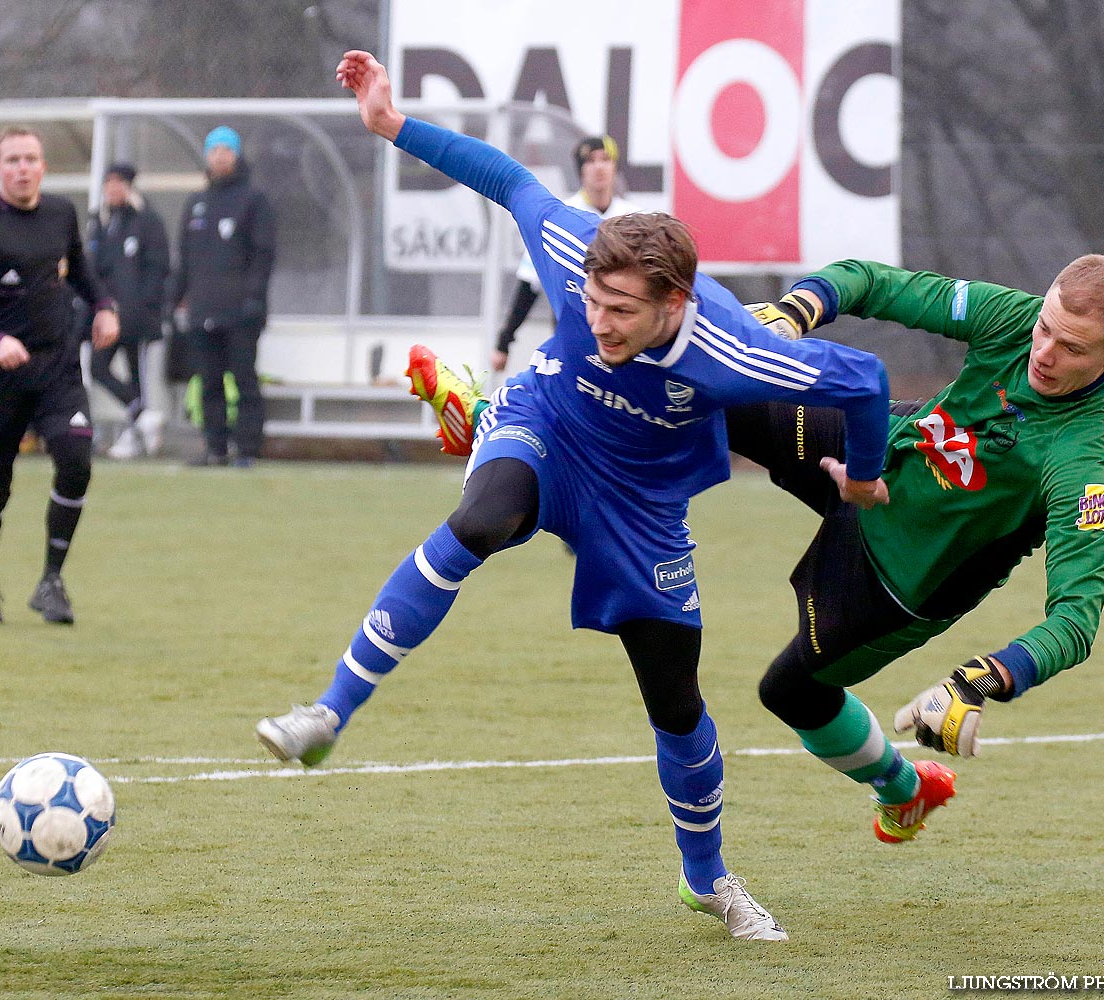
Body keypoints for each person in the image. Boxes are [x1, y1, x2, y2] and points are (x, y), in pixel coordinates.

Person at [257, 49, 895, 943]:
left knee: (675, 703)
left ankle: (707, 880)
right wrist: (390, 122)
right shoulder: (570, 252)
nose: (598, 320)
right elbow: (505, 177)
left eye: (620, 311)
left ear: (674, 304)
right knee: (480, 520)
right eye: (591, 300)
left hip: (640, 504)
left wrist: (862, 477)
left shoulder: (737, 348)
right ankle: (328, 712)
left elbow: (864, 379)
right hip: (548, 427)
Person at [417, 253, 1104, 845]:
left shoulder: (1087, 455)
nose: (1041, 352)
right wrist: (799, 309)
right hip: (874, 453)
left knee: (787, 693)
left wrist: (977, 682)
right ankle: (497, 426)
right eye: (1043, 328)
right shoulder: (1013, 319)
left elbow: (1077, 620)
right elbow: (869, 280)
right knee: (703, 380)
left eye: (1069, 348)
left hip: (897, 579)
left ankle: (905, 791)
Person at [0, 125, 120, 625]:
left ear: (43, 166)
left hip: (56, 366)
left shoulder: (61, 214)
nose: (22, 168)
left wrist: (103, 305)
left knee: (76, 457)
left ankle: (51, 581)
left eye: (30, 158)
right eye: (12, 160)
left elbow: (78, 268)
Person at [169, 125, 276, 468]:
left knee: (244, 380)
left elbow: (263, 254)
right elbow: (184, 258)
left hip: (241, 311)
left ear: (236, 154)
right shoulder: (196, 203)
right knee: (209, 382)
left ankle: (246, 450)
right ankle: (215, 448)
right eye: (213, 150)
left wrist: (254, 298)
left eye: (225, 150)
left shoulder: (253, 200)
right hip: (203, 309)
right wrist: (175, 300)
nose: (219, 157)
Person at [489, 134, 639, 368]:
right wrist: (503, 342)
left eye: (605, 159)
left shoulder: (635, 219)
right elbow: (529, 285)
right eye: (590, 160)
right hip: (573, 345)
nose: (599, 167)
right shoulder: (561, 216)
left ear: (614, 166)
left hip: (622, 346)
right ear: (580, 170)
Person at [86, 162, 171, 459]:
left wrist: (146, 305)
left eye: (119, 182)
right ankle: (142, 414)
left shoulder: (147, 221)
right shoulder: (99, 222)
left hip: (138, 317)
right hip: (106, 316)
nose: (113, 188)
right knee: (98, 368)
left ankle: (136, 435)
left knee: (139, 375)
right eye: (108, 182)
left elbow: (158, 268)